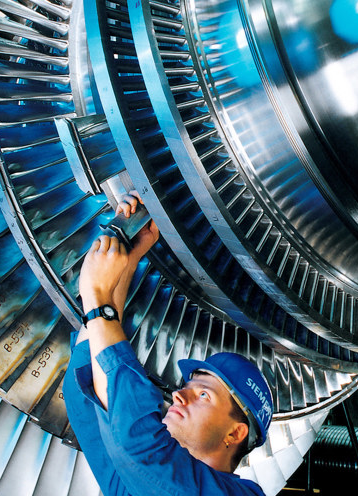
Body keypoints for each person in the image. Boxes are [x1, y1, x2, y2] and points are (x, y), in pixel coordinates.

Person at [63, 191, 275, 496]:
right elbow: (85, 400)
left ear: (235, 433)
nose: (179, 396)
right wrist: (125, 265)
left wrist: (98, 303)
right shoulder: (138, 482)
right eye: (189, 388)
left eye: (204, 394)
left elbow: (141, 446)